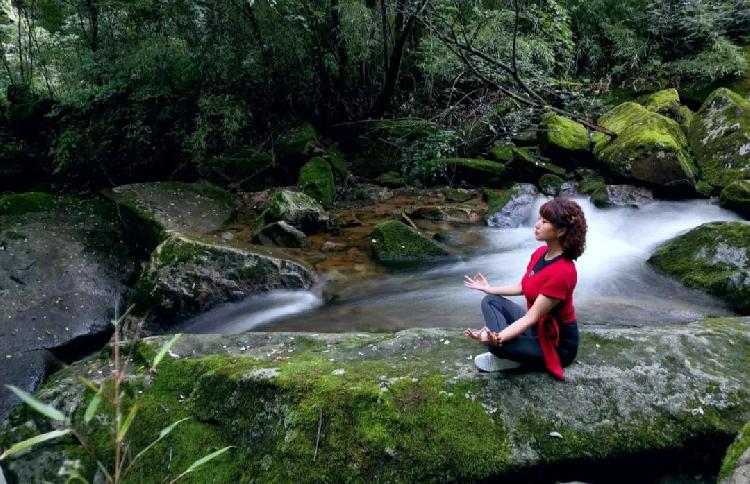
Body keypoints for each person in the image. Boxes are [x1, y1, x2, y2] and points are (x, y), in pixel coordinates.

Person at [463, 198, 587, 380]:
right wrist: (489, 288)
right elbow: (523, 287)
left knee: (496, 345)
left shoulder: (564, 271)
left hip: (557, 344)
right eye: (539, 219)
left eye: (544, 222)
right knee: (490, 301)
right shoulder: (539, 254)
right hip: (537, 328)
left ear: (560, 231)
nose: (536, 225)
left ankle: (509, 355)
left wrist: (497, 339)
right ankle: (510, 349)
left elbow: (531, 317)